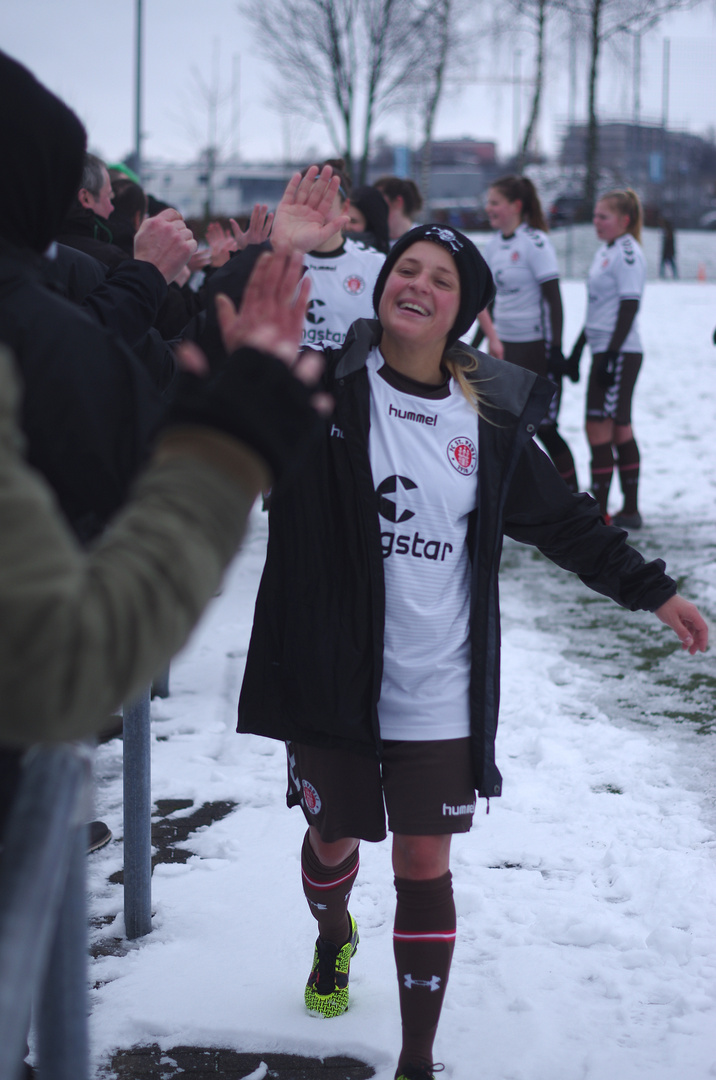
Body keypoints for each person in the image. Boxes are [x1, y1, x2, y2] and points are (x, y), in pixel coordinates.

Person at [236, 175, 708, 1080]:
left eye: (440, 280)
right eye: (405, 268)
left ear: (464, 312)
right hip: (330, 676)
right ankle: (333, 935)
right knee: (332, 841)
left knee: (423, 857)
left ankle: (416, 1060)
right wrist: (281, 255)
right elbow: (216, 356)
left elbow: (567, 521)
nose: (415, 283)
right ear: (381, 286)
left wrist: (655, 593)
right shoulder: (318, 389)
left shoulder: (488, 417)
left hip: (438, 685)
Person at [476, 175, 580, 493]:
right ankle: (508, 501)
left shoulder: (535, 243)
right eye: (489, 202)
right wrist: (473, 344)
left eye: (495, 202)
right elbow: (487, 303)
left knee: (545, 428)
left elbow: (553, 299)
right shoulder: (493, 246)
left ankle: (575, 501)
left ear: (516, 206)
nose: (488, 208)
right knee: (501, 427)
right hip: (503, 350)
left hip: (534, 348)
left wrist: (556, 349)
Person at [568, 188, 647, 529]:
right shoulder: (606, 251)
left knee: (600, 427)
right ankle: (627, 510)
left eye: (604, 216)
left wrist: (610, 356)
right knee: (615, 428)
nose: (596, 222)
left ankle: (604, 514)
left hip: (620, 353)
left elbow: (629, 306)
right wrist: (576, 352)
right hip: (605, 351)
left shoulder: (628, 253)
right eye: (596, 215)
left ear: (624, 220)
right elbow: (598, 311)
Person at [375, 176, 424, 242]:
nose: (373, 205)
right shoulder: (371, 240)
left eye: (379, 199)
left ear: (397, 202)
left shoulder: (423, 238)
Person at [345, 184, 391, 254]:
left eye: (353, 221)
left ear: (370, 225)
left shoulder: (380, 260)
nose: (346, 226)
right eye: (344, 219)